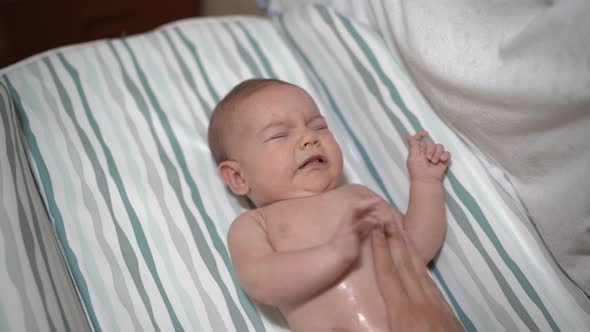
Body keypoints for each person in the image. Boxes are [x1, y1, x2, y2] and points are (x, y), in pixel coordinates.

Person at [208, 78, 455, 331]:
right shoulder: (254, 224)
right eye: (279, 135)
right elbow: (261, 281)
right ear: (238, 177)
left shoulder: (359, 197)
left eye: (318, 126)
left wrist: (425, 184)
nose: (309, 137)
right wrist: (334, 254)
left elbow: (417, 248)